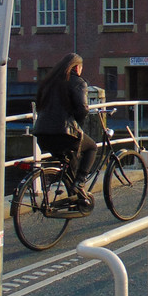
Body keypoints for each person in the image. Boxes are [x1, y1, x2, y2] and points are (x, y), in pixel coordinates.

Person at [31, 53, 97, 205]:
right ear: (77, 67)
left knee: (70, 164)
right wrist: (78, 124)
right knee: (92, 147)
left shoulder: (49, 82)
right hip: (63, 133)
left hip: (42, 133)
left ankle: (73, 198)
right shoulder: (77, 81)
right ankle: (80, 183)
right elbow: (82, 109)